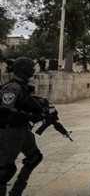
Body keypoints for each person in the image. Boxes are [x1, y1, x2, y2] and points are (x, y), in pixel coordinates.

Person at [0, 57, 45, 196]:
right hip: (10, 132)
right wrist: (29, 116)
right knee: (4, 170)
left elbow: (25, 103)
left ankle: (17, 191)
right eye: (31, 67)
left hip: (23, 131)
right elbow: (4, 111)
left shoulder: (24, 86)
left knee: (34, 157)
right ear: (24, 69)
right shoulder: (12, 87)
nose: (33, 69)